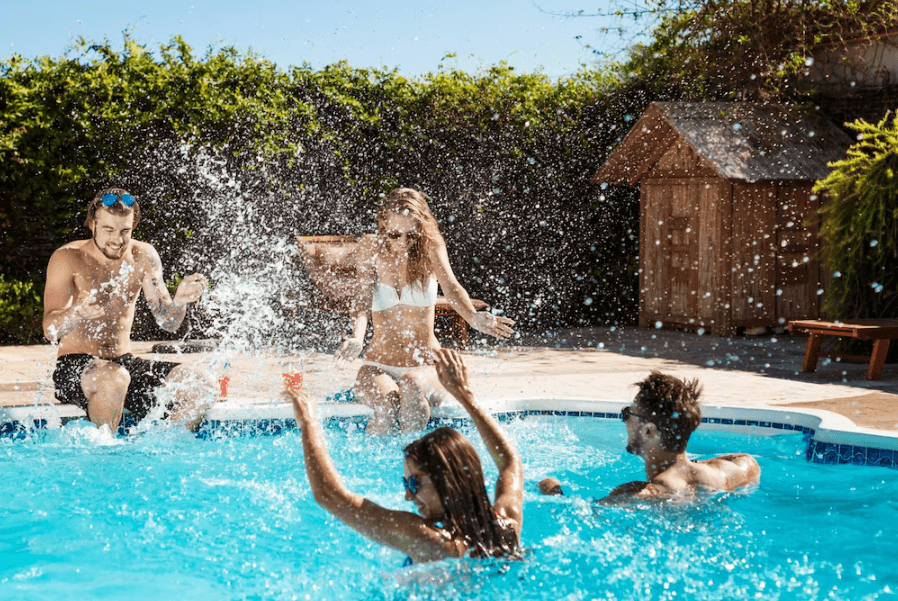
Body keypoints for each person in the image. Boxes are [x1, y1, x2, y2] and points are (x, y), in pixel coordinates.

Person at [285, 348, 523, 564]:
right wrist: (464, 394)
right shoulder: (507, 524)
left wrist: (308, 422)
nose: (408, 495)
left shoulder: (432, 541)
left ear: (448, 480)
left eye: (413, 482)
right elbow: (510, 463)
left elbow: (330, 495)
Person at [337, 188, 514, 434]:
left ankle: (415, 461)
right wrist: (357, 336)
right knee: (388, 403)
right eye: (395, 234)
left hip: (426, 365)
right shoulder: (370, 247)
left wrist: (472, 316)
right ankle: (373, 468)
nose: (403, 242)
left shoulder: (431, 245)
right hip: (379, 363)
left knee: (410, 386)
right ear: (383, 223)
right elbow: (362, 301)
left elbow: (451, 287)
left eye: (412, 235)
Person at [42, 188, 210, 430]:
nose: (117, 240)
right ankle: (105, 459)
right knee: (114, 378)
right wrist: (76, 312)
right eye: (108, 230)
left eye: (125, 231)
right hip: (75, 366)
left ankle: (165, 449)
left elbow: (168, 322)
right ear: (93, 224)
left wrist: (180, 301)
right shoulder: (68, 258)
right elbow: (50, 330)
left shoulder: (143, 255)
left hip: (124, 363)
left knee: (202, 384)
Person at [539, 370, 761, 501]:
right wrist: (688, 466)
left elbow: (580, 516)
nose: (625, 421)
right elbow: (749, 462)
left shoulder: (639, 493)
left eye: (628, 414)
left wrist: (550, 487)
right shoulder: (724, 474)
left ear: (648, 431)